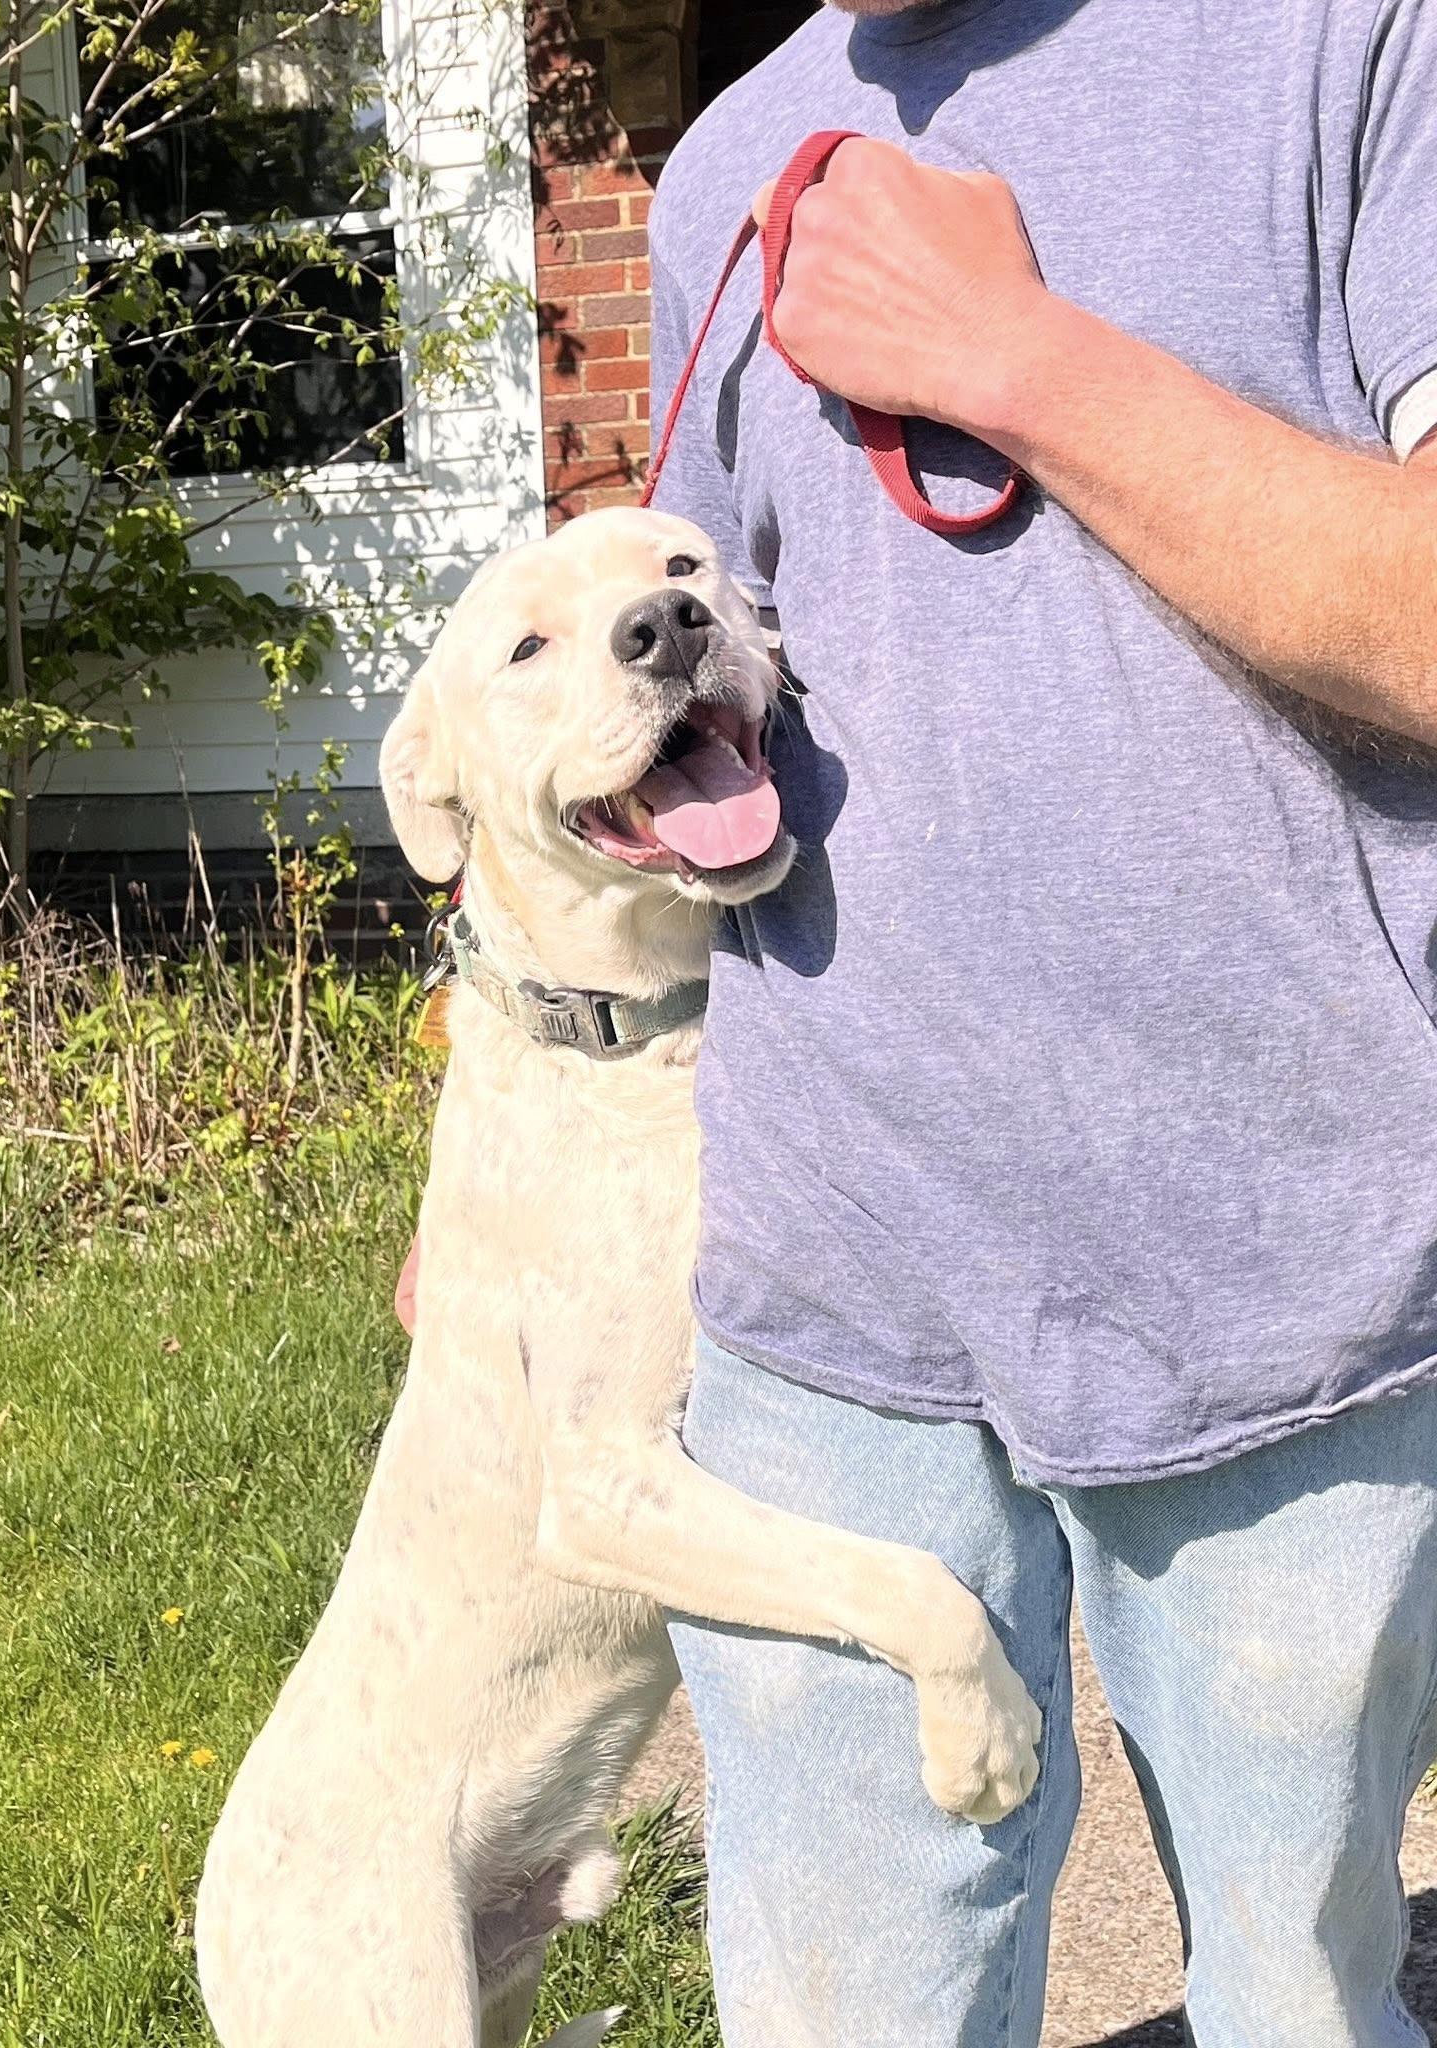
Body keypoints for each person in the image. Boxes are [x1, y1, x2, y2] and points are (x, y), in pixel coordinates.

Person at [643, 1, 1437, 2042]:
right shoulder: (725, 169)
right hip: (827, 1287)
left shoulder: (1362, 43)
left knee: (1303, 1999)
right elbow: (688, 724)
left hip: (1281, 1272)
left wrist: (1014, 356)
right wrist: (512, 1132)